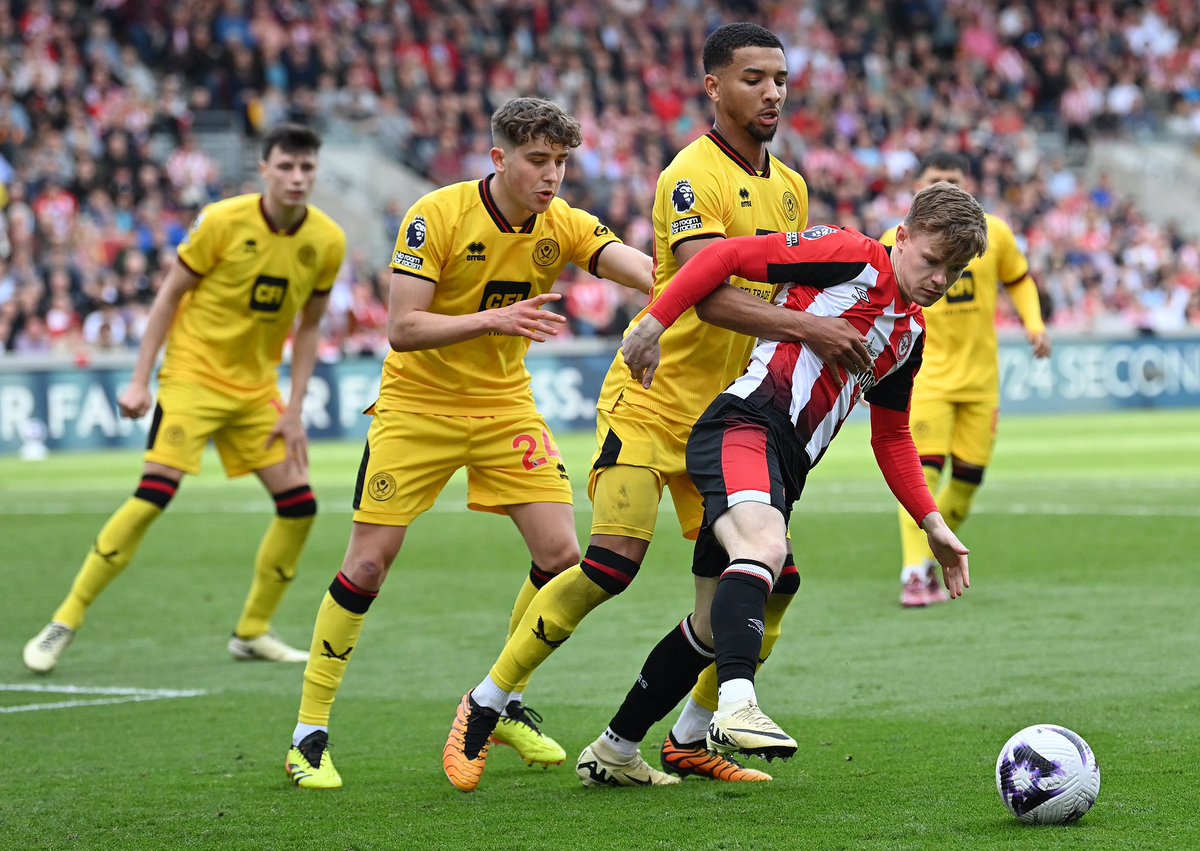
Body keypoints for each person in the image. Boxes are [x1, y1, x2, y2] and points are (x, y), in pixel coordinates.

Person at [443, 22, 874, 792]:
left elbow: (788, 287)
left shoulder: (791, 186)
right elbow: (709, 296)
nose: (772, 91)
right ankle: (487, 701)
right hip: (648, 406)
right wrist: (811, 326)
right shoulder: (689, 177)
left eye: (779, 77)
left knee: (765, 578)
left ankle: (686, 735)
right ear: (714, 87)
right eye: (753, 78)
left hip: (726, 423)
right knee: (611, 563)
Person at [283, 97, 654, 792]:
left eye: (562, 163)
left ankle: (501, 700)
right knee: (367, 563)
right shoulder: (437, 214)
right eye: (538, 161)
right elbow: (403, 327)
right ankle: (309, 733)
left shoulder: (561, 223)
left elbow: (629, 262)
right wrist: (496, 318)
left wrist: (684, 284)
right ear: (499, 159)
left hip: (502, 403)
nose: (552, 177)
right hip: (416, 403)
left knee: (563, 554)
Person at [603, 180, 987, 764]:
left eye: (953, 272)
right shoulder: (852, 255)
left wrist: (932, 522)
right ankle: (734, 706)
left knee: (715, 622)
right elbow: (725, 256)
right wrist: (654, 322)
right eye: (933, 261)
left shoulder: (910, 336)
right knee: (764, 548)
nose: (939, 279)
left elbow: (891, 435)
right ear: (903, 237)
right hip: (745, 425)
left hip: (785, 462)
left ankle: (617, 749)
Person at [22, 124, 346, 674]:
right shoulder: (221, 221)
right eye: (286, 167)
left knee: (300, 506)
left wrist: (293, 409)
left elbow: (311, 328)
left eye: (306, 168)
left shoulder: (327, 241)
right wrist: (139, 379)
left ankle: (252, 631)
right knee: (154, 494)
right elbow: (171, 294)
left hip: (255, 391)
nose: (296, 178)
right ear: (263, 169)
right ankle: (64, 620)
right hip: (192, 379)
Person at [881, 152, 1051, 608]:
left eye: (953, 180)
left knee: (968, 484)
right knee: (923, 475)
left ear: (968, 183)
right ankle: (913, 573)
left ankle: (935, 550)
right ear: (919, 186)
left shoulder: (994, 234)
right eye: (935, 181)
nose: (945, 187)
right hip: (926, 378)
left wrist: (1033, 323)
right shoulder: (898, 239)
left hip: (980, 382)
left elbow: (1020, 279)